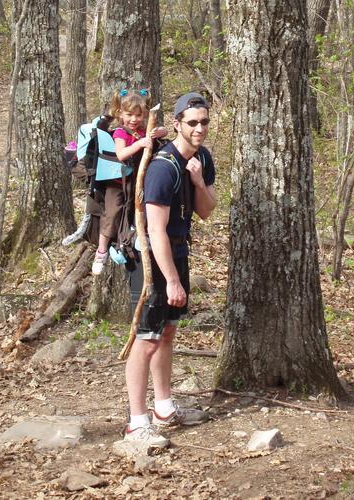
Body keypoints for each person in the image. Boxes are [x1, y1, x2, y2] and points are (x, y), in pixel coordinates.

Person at [123, 92, 216, 448]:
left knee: (168, 334)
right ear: (177, 123)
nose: (199, 128)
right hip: (149, 257)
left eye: (204, 121)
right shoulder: (163, 167)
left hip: (178, 251)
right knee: (146, 339)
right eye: (192, 122)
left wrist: (198, 183)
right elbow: (153, 230)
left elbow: (206, 210)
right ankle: (136, 420)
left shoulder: (201, 159)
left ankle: (163, 407)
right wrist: (172, 280)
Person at [92, 89, 168, 275]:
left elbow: (164, 132)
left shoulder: (144, 130)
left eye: (138, 115)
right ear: (120, 114)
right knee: (112, 214)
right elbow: (121, 154)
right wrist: (139, 144)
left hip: (137, 182)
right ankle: (101, 251)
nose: (134, 119)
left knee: (141, 211)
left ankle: (137, 240)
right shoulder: (120, 132)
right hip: (117, 183)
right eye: (129, 115)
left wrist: (160, 132)